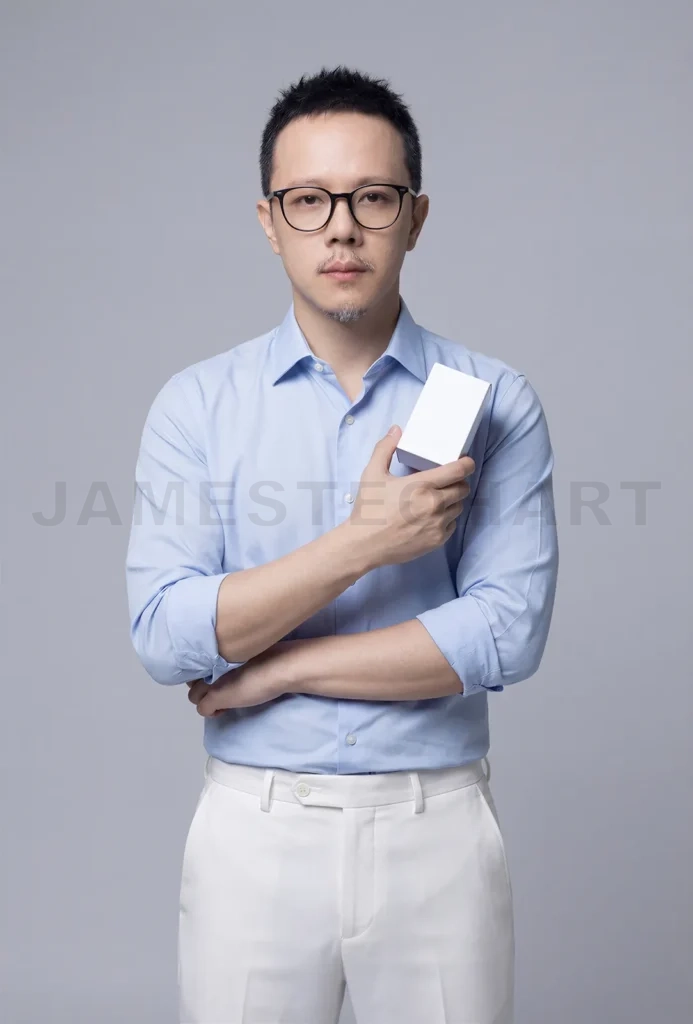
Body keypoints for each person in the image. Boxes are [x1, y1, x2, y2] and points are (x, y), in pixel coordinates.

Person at [125, 64, 559, 1024]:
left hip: (436, 827)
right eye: (308, 199)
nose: (341, 226)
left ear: (415, 215)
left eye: (372, 196)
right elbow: (167, 633)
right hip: (254, 832)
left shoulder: (495, 401)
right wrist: (364, 542)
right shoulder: (196, 406)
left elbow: (503, 637)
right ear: (268, 220)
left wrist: (278, 670)